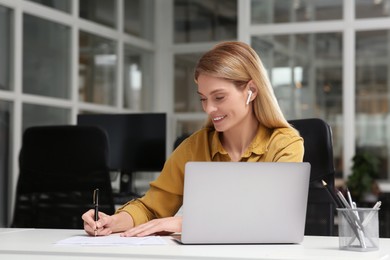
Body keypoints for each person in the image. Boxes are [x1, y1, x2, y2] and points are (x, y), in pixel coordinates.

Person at [82, 41, 304, 237]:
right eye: (203, 99)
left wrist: (182, 223)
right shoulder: (194, 147)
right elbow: (151, 207)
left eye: (219, 97)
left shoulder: (284, 145)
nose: (209, 108)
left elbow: (273, 216)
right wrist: (111, 222)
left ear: (251, 91)